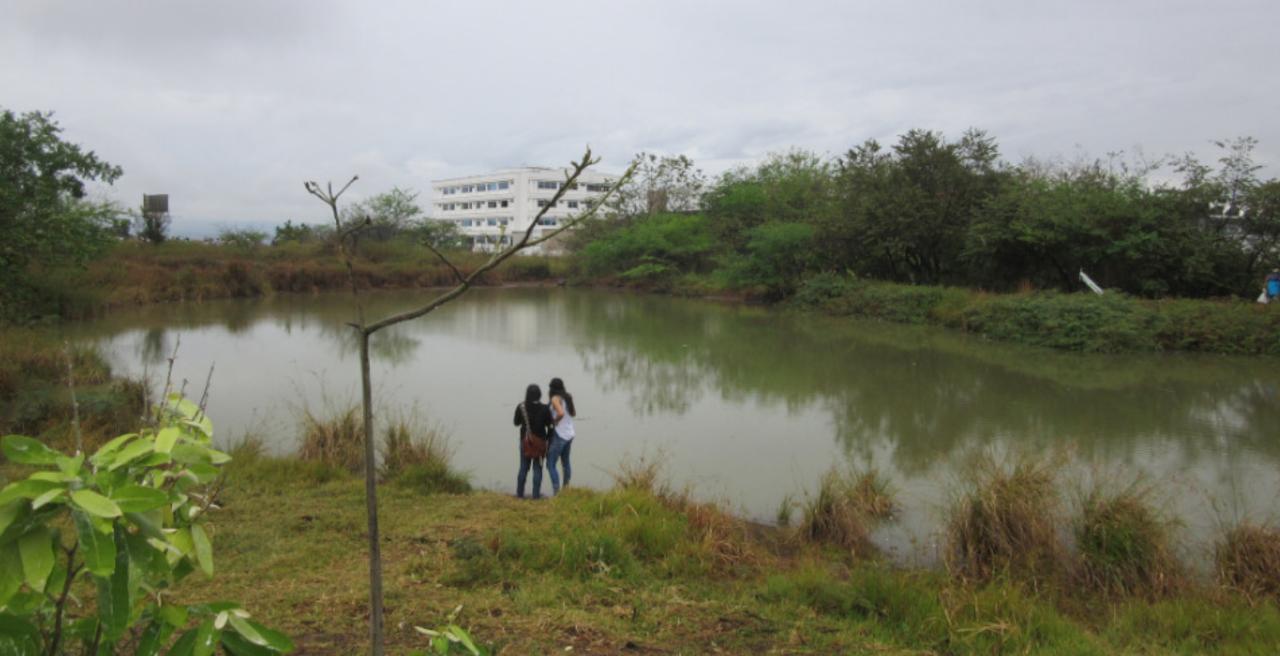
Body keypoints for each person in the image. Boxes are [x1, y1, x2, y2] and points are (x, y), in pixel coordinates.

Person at [513, 383, 554, 499]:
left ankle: (519, 494)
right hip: (540, 443)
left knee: (523, 468)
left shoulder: (521, 407)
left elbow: (516, 423)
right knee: (537, 469)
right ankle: (536, 496)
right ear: (539, 395)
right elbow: (550, 426)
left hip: (525, 442)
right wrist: (548, 440)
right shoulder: (545, 408)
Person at [546, 377, 576, 495]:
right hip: (570, 434)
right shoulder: (568, 397)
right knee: (565, 462)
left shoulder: (555, 398)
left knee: (551, 463)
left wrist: (554, 421)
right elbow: (573, 413)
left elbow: (561, 413)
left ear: (551, 388)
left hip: (560, 435)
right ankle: (566, 488)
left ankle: (556, 492)